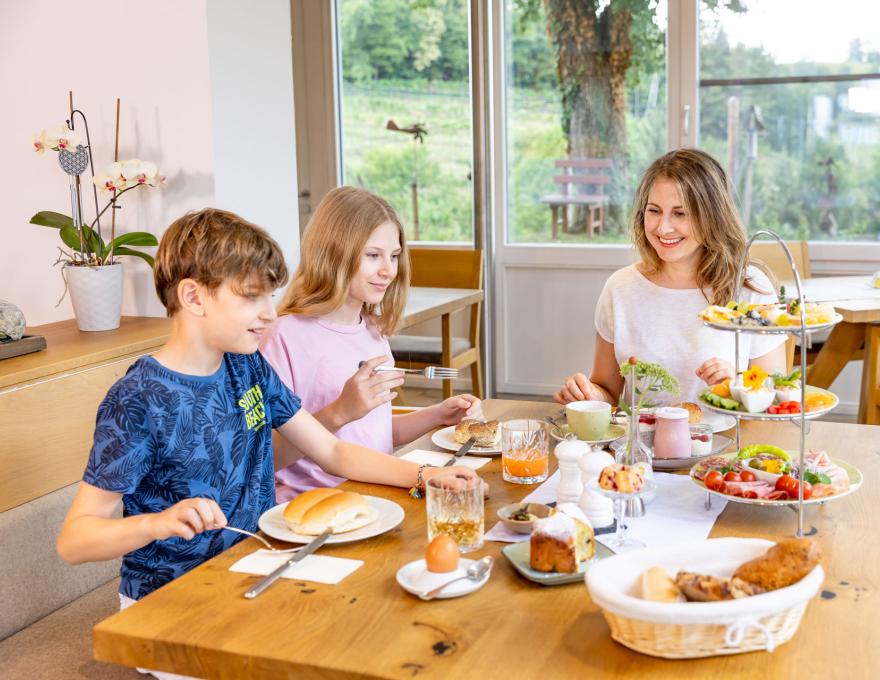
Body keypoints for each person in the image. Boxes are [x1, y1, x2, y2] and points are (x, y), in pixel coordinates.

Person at [57, 208, 477, 610]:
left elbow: (330, 451)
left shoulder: (248, 365)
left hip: (257, 565)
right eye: (252, 298)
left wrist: (428, 476)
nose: (270, 314)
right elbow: (74, 540)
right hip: (171, 595)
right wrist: (159, 523)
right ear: (193, 296)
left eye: (271, 296)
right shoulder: (138, 397)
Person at [260, 186, 482, 502]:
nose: (388, 270)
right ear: (334, 253)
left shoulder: (374, 332)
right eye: (373, 255)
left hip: (377, 493)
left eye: (394, 256)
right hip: (315, 506)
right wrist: (340, 411)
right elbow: (267, 458)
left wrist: (438, 415)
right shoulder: (284, 335)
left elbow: (376, 435)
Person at [554, 148, 786, 407]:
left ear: (712, 217)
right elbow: (607, 391)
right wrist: (587, 394)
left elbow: (777, 400)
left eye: (680, 213)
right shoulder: (620, 288)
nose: (663, 228)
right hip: (643, 445)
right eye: (654, 211)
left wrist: (740, 386)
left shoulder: (750, 288)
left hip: (730, 444)